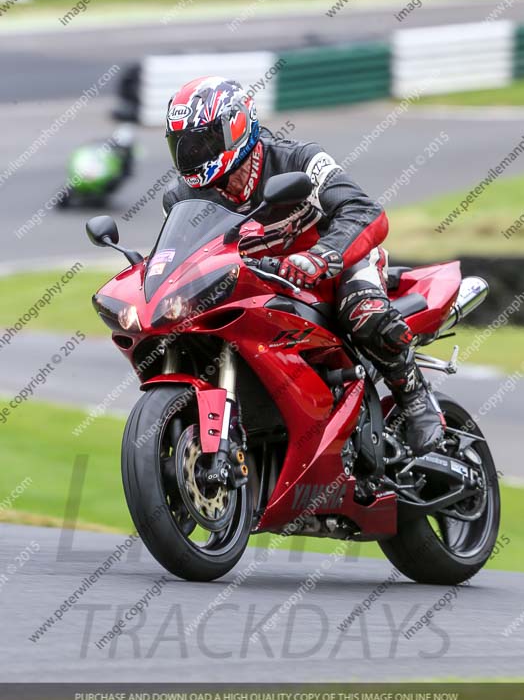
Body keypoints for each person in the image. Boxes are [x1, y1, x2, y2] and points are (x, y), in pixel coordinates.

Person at [162, 76, 444, 456]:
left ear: (236, 127)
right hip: (263, 283)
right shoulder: (183, 197)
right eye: (183, 145)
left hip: (337, 263)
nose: (192, 154)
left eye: (202, 142)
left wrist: (323, 255)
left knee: (363, 311)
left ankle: (416, 400)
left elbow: (365, 212)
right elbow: (182, 257)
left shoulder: (299, 159)